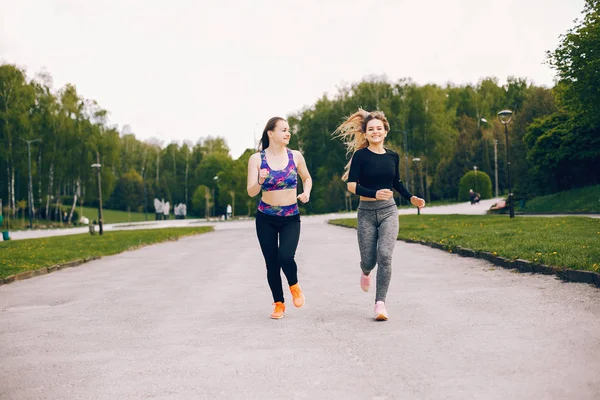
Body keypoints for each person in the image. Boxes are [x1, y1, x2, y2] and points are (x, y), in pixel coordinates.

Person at [333, 109, 425, 321]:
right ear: (365, 133)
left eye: (379, 129)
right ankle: (365, 272)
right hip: (366, 213)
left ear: (385, 132)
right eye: (371, 129)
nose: (375, 132)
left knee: (385, 255)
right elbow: (352, 186)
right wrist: (374, 193)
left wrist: (410, 198)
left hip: (388, 212)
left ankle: (380, 303)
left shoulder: (392, 156)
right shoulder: (360, 156)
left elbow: (396, 183)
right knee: (369, 260)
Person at [247, 117, 312, 319]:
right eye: (283, 130)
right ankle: (279, 304)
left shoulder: (296, 156)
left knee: (285, 256)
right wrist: (260, 180)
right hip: (265, 218)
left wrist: (307, 192)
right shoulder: (256, 159)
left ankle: (294, 285)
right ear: (270, 133)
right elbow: (251, 191)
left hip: (290, 217)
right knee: (272, 263)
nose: (288, 133)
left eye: (288, 130)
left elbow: (307, 178)